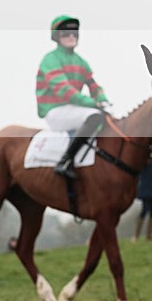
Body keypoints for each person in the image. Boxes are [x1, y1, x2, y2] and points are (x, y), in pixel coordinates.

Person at [36, 15, 113, 180]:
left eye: (74, 33)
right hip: (54, 110)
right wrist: (94, 104)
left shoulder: (81, 62)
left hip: (72, 108)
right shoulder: (50, 59)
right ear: (57, 36)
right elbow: (64, 90)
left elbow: (94, 86)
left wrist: (104, 100)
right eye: (66, 33)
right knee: (94, 116)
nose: (71, 36)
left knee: (107, 118)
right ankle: (64, 162)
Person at [132, 151, 152, 242]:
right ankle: (136, 235)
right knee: (144, 212)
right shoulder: (144, 164)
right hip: (148, 192)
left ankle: (148, 235)